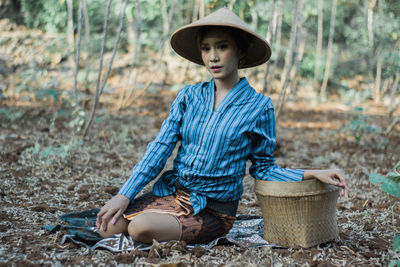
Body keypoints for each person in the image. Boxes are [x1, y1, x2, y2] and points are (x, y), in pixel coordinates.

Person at [96, 7, 348, 244]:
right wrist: (125, 194)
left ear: (240, 51)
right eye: (206, 48)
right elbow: (160, 148)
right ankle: (152, 218)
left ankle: (165, 224)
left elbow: (264, 168)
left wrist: (312, 173)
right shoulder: (188, 96)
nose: (213, 57)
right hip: (173, 194)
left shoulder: (259, 106)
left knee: (140, 228)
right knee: (108, 226)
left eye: (222, 46)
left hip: (213, 209)